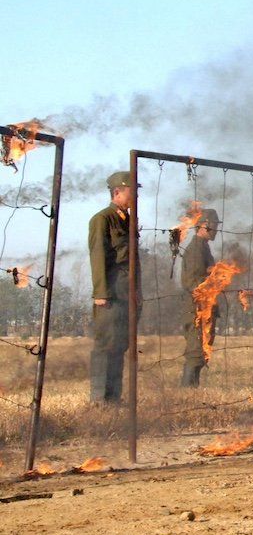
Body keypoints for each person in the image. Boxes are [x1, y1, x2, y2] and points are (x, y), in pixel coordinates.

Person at [88, 171, 140, 404]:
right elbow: (98, 256)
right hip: (109, 292)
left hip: (126, 292)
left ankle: (114, 397)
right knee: (106, 345)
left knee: (120, 344)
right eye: (132, 191)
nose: (135, 196)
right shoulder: (102, 219)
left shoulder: (129, 221)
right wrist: (101, 293)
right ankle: (100, 399)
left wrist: (137, 292)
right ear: (117, 191)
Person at [180, 208, 220, 387]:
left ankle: (192, 390)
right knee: (196, 350)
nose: (216, 229)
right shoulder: (196, 248)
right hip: (198, 308)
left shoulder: (203, 247)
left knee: (202, 349)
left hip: (205, 306)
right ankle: (187, 393)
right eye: (214, 225)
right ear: (204, 225)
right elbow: (192, 282)